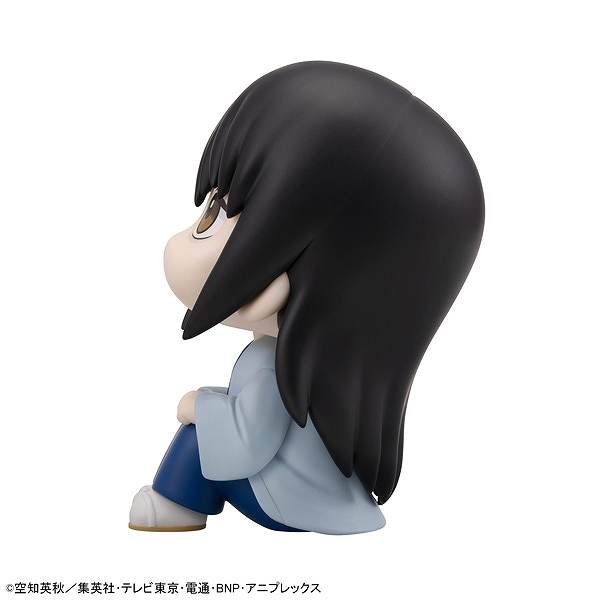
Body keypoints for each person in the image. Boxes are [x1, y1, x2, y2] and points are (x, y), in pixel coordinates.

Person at [128, 61, 485, 534]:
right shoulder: (321, 375)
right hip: (324, 498)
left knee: (194, 441)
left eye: (215, 215)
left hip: (285, 503)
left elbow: (246, 444)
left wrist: (197, 407)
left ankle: (171, 506)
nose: (191, 231)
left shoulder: (273, 369)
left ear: (273, 285)